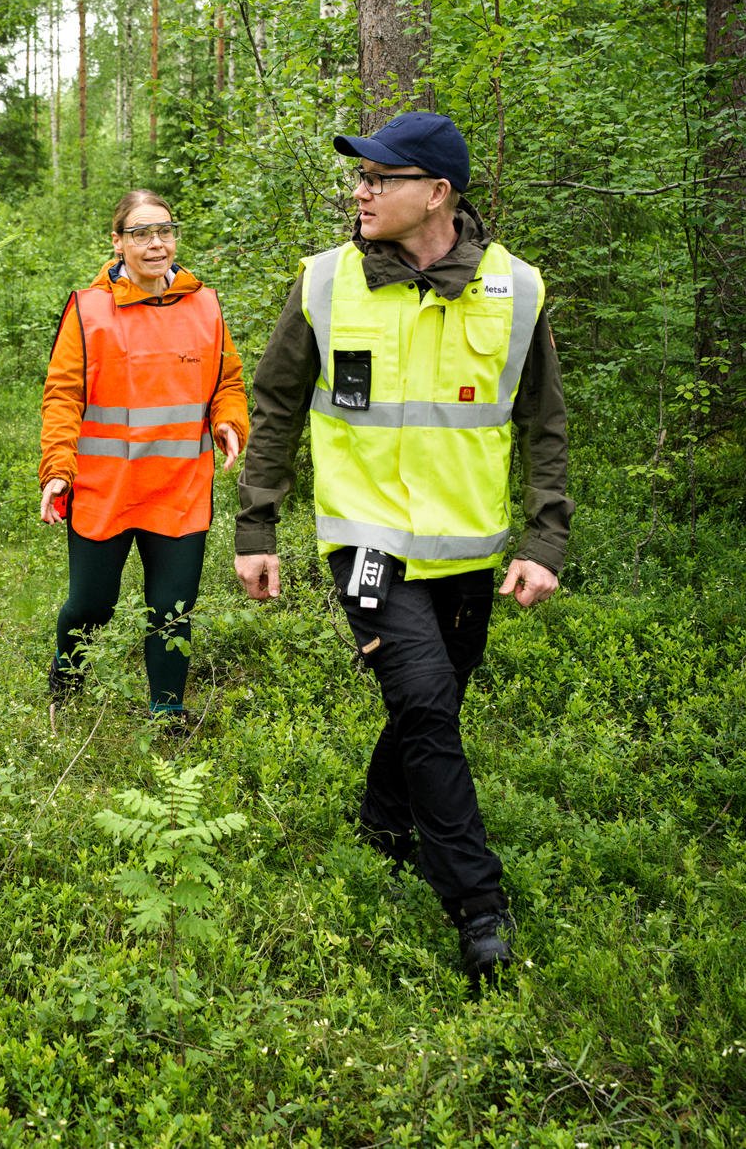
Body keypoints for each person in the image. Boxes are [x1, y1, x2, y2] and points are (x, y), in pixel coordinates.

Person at [232, 111, 571, 984]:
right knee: (423, 703)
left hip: (465, 549)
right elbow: (273, 407)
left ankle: (384, 818)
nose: (362, 191)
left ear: (438, 194)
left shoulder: (518, 291)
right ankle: (477, 907)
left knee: (435, 704)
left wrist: (545, 536)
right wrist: (257, 525)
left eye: (381, 178)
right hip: (366, 542)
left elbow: (544, 425)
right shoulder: (323, 282)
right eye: (360, 177)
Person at [39, 190, 249, 729]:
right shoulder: (89, 309)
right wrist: (59, 470)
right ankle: (65, 690)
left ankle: (167, 710)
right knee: (91, 606)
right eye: (140, 233)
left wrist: (228, 420)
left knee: (173, 608)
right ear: (118, 242)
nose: (155, 243)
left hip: (179, 487)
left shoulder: (206, 304)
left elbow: (227, 381)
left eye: (164, 231)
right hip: (105, 489)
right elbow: (63, 395)